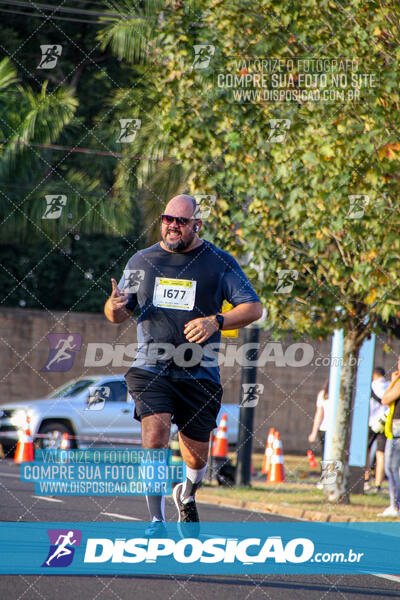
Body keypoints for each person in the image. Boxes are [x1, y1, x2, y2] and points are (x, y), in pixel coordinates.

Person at [104, 194, 262, 534]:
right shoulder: (142, 261)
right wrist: (114, 306)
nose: (172, 226)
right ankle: (155, 519)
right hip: (151, 368)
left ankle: (187, 495)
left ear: (196, 225)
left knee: (196, 456)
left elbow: (252, 308)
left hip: (200, 371)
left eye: (181, 221)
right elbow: (118, 312)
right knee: (155, 433)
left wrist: (216, 321)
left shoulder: (219, 262)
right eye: (167, 219)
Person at [379, 356, 400, 517]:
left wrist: (394, 382)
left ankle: (395, 506)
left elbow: (385, 399)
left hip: (397, 430)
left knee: (391, 468)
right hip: (394, 429)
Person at [364, 367, 390, 493]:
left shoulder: (371, 386)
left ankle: (365, 479)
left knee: (367, 452)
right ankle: (378, 484)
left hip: (371, 423)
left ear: (374, 375)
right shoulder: (390, 386)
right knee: (381, 454)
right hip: (385, 423)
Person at [308, 377, 330, 454]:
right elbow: (319, 414)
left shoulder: (323, 394)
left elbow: (319, 414)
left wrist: (314, 432)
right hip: (330, 429)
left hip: (323, 429)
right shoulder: (340, 397)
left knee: (325, 454)